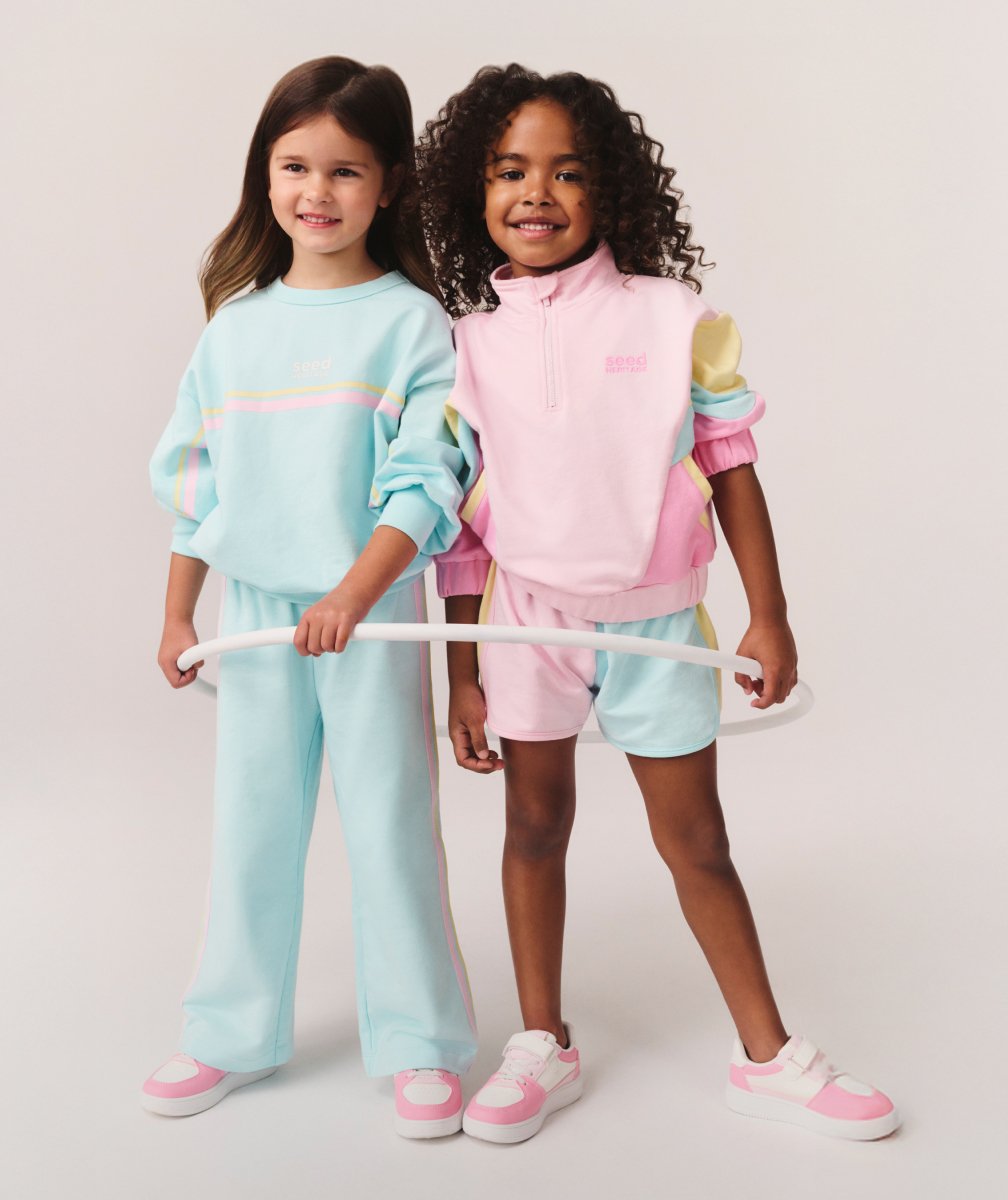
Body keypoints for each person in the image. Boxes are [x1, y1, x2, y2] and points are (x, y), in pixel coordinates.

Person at [417, 64, 899, 1144]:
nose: (536, 193)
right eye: (509, 171)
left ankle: (768, 1056)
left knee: (698, 843)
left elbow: (730, 465)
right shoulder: (464, 345)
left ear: (610, 191)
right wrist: (463, 675)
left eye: (567, 171)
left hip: (659, 624)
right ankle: (542, 1042)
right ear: (472, 190)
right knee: (533, 827)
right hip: (525, 625)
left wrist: (769, 614)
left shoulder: (673, 317)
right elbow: (458, 531)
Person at [144, 56, 476, 1138]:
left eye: (344, 170)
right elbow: (199, 484)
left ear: (389, 186)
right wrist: (178, 612)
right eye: (294, 166)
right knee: (252, 826)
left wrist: (351, 595)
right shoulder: (234, 329)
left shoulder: (412, 324)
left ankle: (421, 1044)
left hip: (370, 616)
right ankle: (229, 1035)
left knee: (389, 826)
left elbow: (427, 483)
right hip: (253, 619)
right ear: (265, 174)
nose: (316, 191)